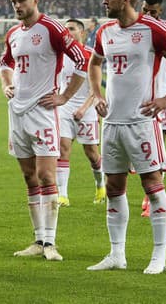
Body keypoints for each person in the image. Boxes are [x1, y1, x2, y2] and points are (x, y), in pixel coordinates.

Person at [86, 0, 166, 274]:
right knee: (114, 187)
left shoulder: (154, 29)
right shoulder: (104, 31)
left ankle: (158, 256)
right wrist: (97, 95)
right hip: (111, 123)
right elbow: (94, 63)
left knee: (152, 185)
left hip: (143, 123)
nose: (103, 0)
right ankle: (116, 255)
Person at [0, 0, 88, 261]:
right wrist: (6, 85)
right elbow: (5, 63)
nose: (17, 6)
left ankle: (51, 243)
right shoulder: (13, 33)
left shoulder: (52, 28)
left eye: (22, 0)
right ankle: (38, 240)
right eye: (14, 1)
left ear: (36, 0)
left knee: (47, 175)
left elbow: (82, 60)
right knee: (29, 177)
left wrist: (64, 96)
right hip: (17, 112)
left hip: (43, 112)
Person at [56, 19, 105, 207]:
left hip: (86, 110)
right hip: (64, 108)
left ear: (82, 33)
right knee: (63, 149)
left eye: (72, 29)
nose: (67, 32)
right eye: (65, 29)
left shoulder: (91, 56)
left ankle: (100, 187)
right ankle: (63, 195)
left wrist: (84, 109)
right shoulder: (59, 55)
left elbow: (95, 88)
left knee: (92, 154)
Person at [139, 0, 166, 217]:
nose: (148, 14)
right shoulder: (135, 28)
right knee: (142, 147)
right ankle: (149, 191)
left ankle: (151, 197)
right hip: (141, 97)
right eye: (145, 10)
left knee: (158, 146)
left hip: (163, 96)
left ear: (160, 10)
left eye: (153, 11)